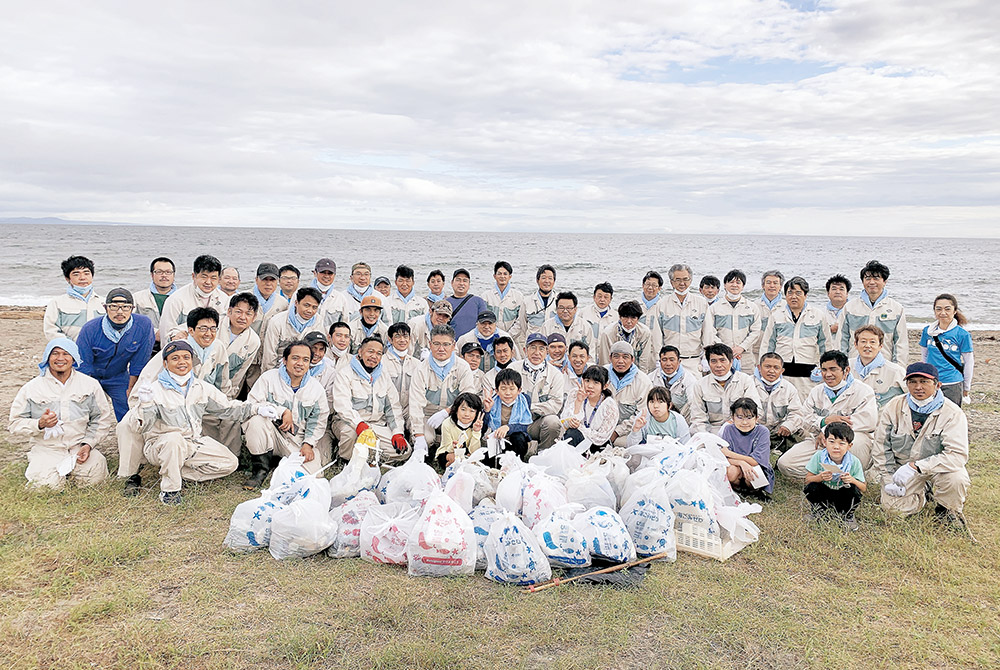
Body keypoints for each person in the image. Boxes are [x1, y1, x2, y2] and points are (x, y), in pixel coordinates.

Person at [127, 341, 274, 504]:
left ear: (192, 361)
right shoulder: (154, 390)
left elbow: (227, 408)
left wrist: (256, 409)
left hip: (192, 443)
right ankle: (170, 491)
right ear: (165, 364)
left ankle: (174, 470)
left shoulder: (201, 387)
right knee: (173, 439)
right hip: (161, 445)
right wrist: (146, 404)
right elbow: (139, 426)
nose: (181, 362)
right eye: (175, 358)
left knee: (230, 463)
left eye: (186, 357)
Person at [9, 338, 113, 489]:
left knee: (95, 481)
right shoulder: (32, 388)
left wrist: (88, 445)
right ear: (47, 357)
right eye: (55, 353)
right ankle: (45, 469)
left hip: (78, 447)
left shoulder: (90, 385)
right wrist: (39, 424)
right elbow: (15, 423)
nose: (60, 358)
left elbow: (101, 418)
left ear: (74, 359)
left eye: (66, 354)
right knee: (45, 487)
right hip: (48, 449)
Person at [874, 363, 970, 525]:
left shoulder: (953, 413)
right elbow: (881, 447)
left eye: (924, 382)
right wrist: (888, 477)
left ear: (937, 385)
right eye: (912, 382)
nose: (918, 387)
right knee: (895, 510)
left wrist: (917, 466)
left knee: (956, 478)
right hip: (901, 470)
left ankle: (947, 509)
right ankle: (923, 492)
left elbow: (957, 455)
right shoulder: (894, 406)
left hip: (936, 469)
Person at [776, 350, 877, 482]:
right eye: (824, 369)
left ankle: (852, 477)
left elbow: (867, 421)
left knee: (857, 442)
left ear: (846, 370)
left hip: (851, 442)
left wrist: (827, 430)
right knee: (786, 463)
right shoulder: (817, 391)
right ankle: (824, 477)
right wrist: (823, 421)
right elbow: (804, 417)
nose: (828, 374)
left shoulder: (863, 391)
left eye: (833, 369)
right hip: (821, 442)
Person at [244, 340, 331, 488]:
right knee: (256, 421)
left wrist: (308, 444)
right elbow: (251, 405)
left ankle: (278, 462)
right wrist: (282, 411)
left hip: (297, 440)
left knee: (314, 475)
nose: (300, 364)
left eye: (305, 360)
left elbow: (319, 420)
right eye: (295, 358)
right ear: (285, 360)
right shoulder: (268, 378)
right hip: (272, 433)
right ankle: (259, 470)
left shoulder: (316, 388)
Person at [76, 288, 155, 421]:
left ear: (133, 308)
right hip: (91, 376)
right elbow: (83, 364)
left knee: (129, 408)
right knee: (85, 408)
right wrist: (86, 390)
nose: (119, 312)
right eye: (113, 307)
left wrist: (131, 389)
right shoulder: (90, 329)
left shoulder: (143, 325)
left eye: (125, 307)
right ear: (105, 308)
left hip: (118, 376)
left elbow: (139, 362)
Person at [331, 336, 409, 463]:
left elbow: (393, 407)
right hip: (349, 423)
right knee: (350, 436)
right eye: (370, 351)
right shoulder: (345, 373)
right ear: (360, 352)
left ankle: (367, 456)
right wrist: (359, 424)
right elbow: (342, 406)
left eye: (379, 353)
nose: (374, 356)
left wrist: (397, 432)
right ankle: (344, 458)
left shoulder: (383, 376)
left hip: (376, 425)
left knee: (404, 451)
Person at [207, 294, 262, 453]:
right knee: (206, 418)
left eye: (248, 313)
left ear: (254, 317)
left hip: (227, 387)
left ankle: (231, 455)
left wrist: (227, 396)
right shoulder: (213, 325)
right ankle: (209, 452)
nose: (242, 317)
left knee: (230, 414)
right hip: (202, 383)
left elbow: (239, 373)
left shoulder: (253, 341)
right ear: (229, 311)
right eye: (238, 311)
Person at [760, 276, 831, 398]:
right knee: (781, 402)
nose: (794, 296)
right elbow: (768, 343)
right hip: (782, 370)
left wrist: (826, 368)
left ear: (805, 295)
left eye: (798, 293)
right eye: (790, 293)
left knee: (806, 405)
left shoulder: (818, 315)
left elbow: (826, 344)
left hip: (808, 371)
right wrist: (762, 366)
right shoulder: (777, 315)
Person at [409, 325, 478, 450]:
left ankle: (442, 439)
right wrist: (419, 435)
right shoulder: (420, 369)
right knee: (427, 439)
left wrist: (447, 412)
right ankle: (426, 438)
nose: (441, 349)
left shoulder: (463, 367)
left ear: (453, 345)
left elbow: (468, 397)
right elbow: (415, 403)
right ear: (430, 344)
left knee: (460, 441)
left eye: (446, 344)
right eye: (436, 344)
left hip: (453, 414)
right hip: (427, 415)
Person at [838, 260, 908, 364]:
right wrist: (841, 365)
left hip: (884, 364)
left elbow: (900, 343)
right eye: (867, 278)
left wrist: (898, 368)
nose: (871, 282)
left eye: (876, 278)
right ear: (862, 281)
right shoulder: (850, 308)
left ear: (884, 281)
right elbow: (841, 339)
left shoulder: (896, 309)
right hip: (855, 364)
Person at [803, 422, 866, 530]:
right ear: (824, 441)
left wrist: (852, 480)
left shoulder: (854, 462)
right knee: (812, 487)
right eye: (831, 442)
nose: (836, 447)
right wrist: (820, 477)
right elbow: (807, 480)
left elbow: (863, 488)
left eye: (842, 443)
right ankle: (819, 511)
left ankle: (847, 515)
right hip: (825, 493)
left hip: (842, 494)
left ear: (849, 446)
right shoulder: (819, 456)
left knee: (853, 490)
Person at [688, 344, 761, 435]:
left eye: (723, 360)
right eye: (713, 361)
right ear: (708, 363)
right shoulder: (700, 385)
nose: (719, 365)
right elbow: (698, 418)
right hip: (712, 432)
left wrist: (732, 427)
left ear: (731, 362)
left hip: (739, 430)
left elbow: (756, 410)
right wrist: (707, 438)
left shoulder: (745, 380)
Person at [655, 264, 715, 373]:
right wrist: (658, 359)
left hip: (694, 360)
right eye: (677, 280)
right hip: (669, 361)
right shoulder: (662, 304)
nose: (682, 283)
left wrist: (706, 358)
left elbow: (708, 333)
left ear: (691, 280)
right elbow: (657, 335)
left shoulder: (701, 303)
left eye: (685, 279)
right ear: (671, 282)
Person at [513, 332, 567, 451]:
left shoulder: (555, 374)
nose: (537, 353)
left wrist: (530, 408)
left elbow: (555, 404)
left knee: (553, 421)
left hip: (537, 423)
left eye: (541, 349)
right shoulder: (513, 369)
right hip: (515, 420)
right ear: (525, 350)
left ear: (547, 351)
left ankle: (544, 456)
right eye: (533, 348)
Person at [158, 255, 227, 343]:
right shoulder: (176, 299)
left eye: (213, 278)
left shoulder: (224, 300)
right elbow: (165, 335)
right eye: (204, 277)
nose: (208, 282)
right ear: (193, 276)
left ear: (219, 279)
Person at [920, 294, 974, 407]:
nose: (942, 312)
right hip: (931, 382)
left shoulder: (962, 334)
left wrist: (966, 387)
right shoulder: (927, 332)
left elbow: (969, 362)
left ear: (954, 311)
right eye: (938, 309)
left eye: (947, 309)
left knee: (951, 418)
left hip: (952, 382)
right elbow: (924, 357)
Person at [754, 352, 807, 454]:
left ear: (782, 370)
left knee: (801, 432)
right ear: (759, 368)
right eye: (767, 366)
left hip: (778, 432)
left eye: (776, 367)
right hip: (753, 430)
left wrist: (788, 426)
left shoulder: (789, 388)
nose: (771, 371)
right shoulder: (749, 383)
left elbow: (797, 413)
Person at [719, 398, 773, 497]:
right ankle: (738, 489)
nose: (744, 422)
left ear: (756, 418)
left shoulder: (763, 431)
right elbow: (724, 458)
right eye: (740, 417)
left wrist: (730, 453)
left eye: (749, 417)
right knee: (730, 472)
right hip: (736, 466)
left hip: (755, 467)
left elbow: (756, 461)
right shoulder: (728, 429)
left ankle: (754, 491)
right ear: (732, 417)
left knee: (754, 473)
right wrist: (741, 463)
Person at [261, 287, 325, 371]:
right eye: (306, 305)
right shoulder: (277, 321)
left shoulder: (318, 321)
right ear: (296, 303)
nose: (310, 310)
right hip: (279, 368)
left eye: (314, 307)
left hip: (305, 368)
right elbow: (269, 356)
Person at [604, 341, 654, 446]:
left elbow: (641, 414)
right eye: (616, 356)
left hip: (628, 431)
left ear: (632, 360)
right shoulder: (602, 374)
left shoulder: (643, 382)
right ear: (610, 358)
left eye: (625, 357)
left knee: (624, 445)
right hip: (601, 427)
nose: (620, 361)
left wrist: (617, 432)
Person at [710, 269, 762, 369]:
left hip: (745, 356)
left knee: (746, 383)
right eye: (731, 282)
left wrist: (741, 347)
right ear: (725, 285)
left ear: (743, 286)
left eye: (738, 282)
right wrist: (724, 349)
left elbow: (756, 331)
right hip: (721, 357)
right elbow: (710, 332)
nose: (735, 285)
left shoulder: (752, 307)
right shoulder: (714, 308)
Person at [43, 255, 104, 341]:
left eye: (86, 273)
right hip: (70, 351)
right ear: (67, 279)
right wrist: (70, 346)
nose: (82, 278)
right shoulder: (57, 303)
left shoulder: (104, 303)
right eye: (76, 274)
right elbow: (51, 331)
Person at [559, 365, 619, 451]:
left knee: (574, 433)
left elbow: (601, 438)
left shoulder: (610, 405)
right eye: (587, 381)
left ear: (605, 386)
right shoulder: (574, 394)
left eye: (596, 382)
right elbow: (564, 422)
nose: (590, 386)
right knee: (572, 433)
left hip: (596, 446)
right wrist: (579, 402)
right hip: (574, 439)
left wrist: (580, 427)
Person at [483, 368, 533, 461]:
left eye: (512, 389)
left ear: (519, 390)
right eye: (503, 388)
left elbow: (524, 426)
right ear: (497, 390)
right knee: (489, 460)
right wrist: (487, 410)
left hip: (516, 440)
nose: (508, 393)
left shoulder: (524, 400)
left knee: (518, 437)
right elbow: (483, 428)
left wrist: (508, 427)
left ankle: (518, 464)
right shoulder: (492, 402)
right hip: (497, 438)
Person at [853, 325, 906, 408]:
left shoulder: (896, 371)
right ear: (855, 344)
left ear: (880, 346)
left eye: (872, 342)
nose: (867, 345)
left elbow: (910, 396)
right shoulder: (845, 367)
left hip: (882, 419)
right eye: (863, 341)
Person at [597, 300, 655, 372]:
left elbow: (644, 360)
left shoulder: (644, 332)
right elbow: (605, 359)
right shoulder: (608, 333)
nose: (629, 321)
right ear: (620, 317)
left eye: (633, 318)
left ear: (638, 319)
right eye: (626, 317)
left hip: (634, 370)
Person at [382, 322, 421, 426]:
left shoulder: (417, 364)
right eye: (397, 336)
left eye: (405, 336)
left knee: (426, 437)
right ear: (390, 339)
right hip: (387, 411)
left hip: (410, 410)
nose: (402, 340)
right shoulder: (382, 362)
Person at [133, 257, 176, 351]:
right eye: (159, 272)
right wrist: (153, 333)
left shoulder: (182, 298)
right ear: (152, 275)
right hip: (146, 348)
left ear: (173, 275)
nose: (164, 275)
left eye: (168, 272)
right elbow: (130, 323)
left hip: (177, 348)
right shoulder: (138, 298)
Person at [456, 309, 520, 371]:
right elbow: (455, 359)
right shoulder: (466, 339)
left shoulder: (504, 336)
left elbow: (517, 359)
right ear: (477, 324)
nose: (487, 327)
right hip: (474, 376)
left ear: (495, 324)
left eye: (490, 323)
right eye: (483, 323)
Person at [647, 345, 698, 423]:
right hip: (656, 419)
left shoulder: (689, 379)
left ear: (679, 361)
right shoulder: (650, 378)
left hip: (682, 420)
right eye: (664, 360)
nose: (668, 364)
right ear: (660, 361)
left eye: (672, 360)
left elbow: (694, 405)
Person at [627, 386, 691, 445]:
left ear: (669, 405)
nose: (655, 406)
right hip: (649, 454)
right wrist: (636, 430)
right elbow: (631, 446)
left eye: (660, 402)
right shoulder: (643, 416)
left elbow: (686, 445)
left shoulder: (678, 420)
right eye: (652, 402)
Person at [436, 392, 485, 468]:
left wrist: (476, 431)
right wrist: (454, 447)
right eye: (463, 409)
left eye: (472, 411)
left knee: (472, 459)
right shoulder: (447, 423)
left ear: (477, 413)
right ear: (456, 410)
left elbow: (474, 451)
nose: (467, 414)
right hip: (449, 452)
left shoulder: (477, 424)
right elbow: (447, 447)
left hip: (468, 453)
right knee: (454, 459)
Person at [484, 261, 525, 344]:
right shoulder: (486, 296)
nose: (502, 276)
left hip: (513, 339)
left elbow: (520, 320)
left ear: (510, 277)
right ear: (494, 276)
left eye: (505, 274)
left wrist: (507, 336)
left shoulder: (518, 296)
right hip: (490, 338)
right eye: (499, 273)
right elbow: (483, 319)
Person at [445, 268, 488, 337]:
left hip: (473, 343)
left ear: (469, 284)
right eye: (458, 280)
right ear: (452, 282)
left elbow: (485, 323)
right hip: (452, 343)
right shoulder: (446, 303)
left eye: (465, 281)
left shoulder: (478, 301)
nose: (461, 283)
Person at [249, 263, 288, 336]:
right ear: (256, 280)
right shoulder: (243, 298)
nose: (268, 283)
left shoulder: (283, 303)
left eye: (272, 280)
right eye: (265, 279)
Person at [522, 264, 558, 342]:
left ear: (554, 281)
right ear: (537, 280)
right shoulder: (527, 301)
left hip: (553, 344)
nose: (547, 281)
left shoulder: (559, 300)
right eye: (543, 278)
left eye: (550, 278)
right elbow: (522, 326)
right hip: (534, 343)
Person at [756, 270, 784, 357]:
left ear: (780, 286)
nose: (772, 286)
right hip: (757, 350)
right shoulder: (754, 306)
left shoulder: (786, 307)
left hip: (780, 351)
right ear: (763, 286)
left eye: (775, 283)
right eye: (768, 282)